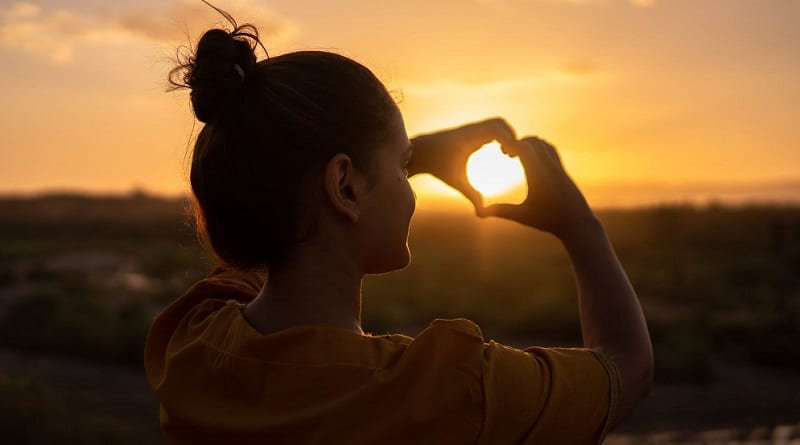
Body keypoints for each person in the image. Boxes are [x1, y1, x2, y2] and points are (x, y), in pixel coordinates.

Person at [144, 10, 653, 445]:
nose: (409, 186)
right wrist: (580, 226)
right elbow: (625, 368)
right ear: (344, 186)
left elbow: (276, 213)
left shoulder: (192, 343)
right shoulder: (446, 390)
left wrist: (402, 157)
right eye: (402, 165)